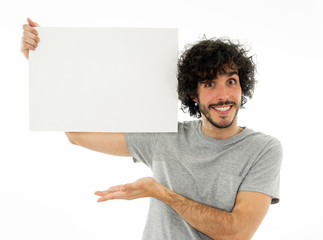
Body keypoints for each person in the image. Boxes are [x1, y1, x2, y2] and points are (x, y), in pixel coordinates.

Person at [21, 18, 283, 240]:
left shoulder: (263, 149)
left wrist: (161, 193)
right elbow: (76, 135)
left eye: (231, 81)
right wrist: (44, 63)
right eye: (210, 84)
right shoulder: (165, 137)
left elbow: (237, 232)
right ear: (194, 94)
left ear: (242, 87)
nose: (223, 95)